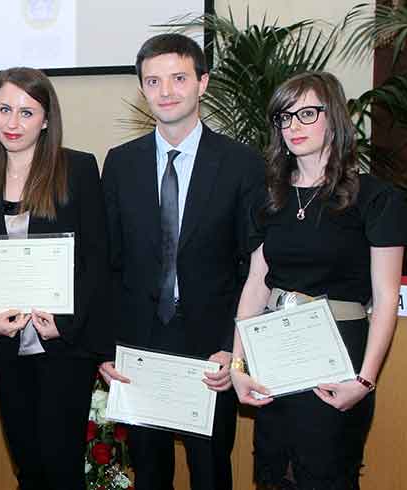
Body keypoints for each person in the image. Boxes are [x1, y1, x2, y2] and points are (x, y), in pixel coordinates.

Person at [99, 34, 264, 490]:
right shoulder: (120, 163)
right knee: (149, 474)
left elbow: (253, 269)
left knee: (210, 473)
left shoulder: (241, 164)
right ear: (142, 89)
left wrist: (234, 349)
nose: (166, 91)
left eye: (178, 78)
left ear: (202, 83)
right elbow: (109, 262)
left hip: (211, 350)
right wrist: (107, 347)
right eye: (153, 81)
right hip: (140, 345)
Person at [229, 71, 406, 489]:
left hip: (338, 357)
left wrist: (364, 381)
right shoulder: (267, 197)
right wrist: (238, 364)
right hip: (275, 353)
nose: (294, 126)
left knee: (325, 472)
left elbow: (386, 297)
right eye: (284, 117)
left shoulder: (375, 198)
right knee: (275, 471)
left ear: (335, 118)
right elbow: (256, 285)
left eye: (307, 113)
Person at [0, 67, 110, 489]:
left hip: (63, 346)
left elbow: (97, 260)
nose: (13, 122)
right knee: (27, 467)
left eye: (26, 112)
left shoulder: (78, 169)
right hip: (10, 349)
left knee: (61, 469)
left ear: (46, 120)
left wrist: (65, 324)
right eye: (4, 109)